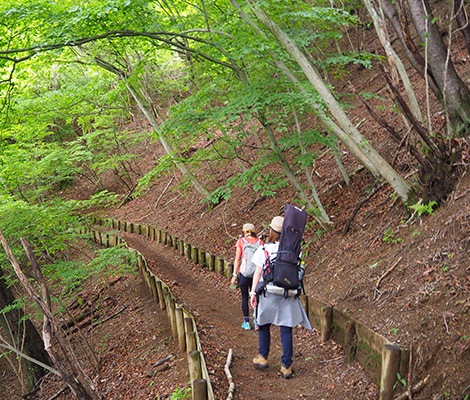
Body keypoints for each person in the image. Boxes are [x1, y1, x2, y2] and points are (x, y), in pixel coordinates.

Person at [249, 216, 311, 379]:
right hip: (287, 294)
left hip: (268, 292)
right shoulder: (295, 250)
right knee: (286, 328)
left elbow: (258, 272)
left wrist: (253, 292)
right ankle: (286, 366)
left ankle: (262, 356)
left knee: (263, 323)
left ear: (271, 231)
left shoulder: (263, 249)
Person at [231, 223, 262, 330]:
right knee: (256, 297)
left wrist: (234, 275)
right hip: (256, 275)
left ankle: (246, 322)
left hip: (244, 274)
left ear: (244, 231)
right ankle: (257, 320)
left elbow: (237, 259)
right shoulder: (260, 243)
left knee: (244, 297)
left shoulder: (241, 242)